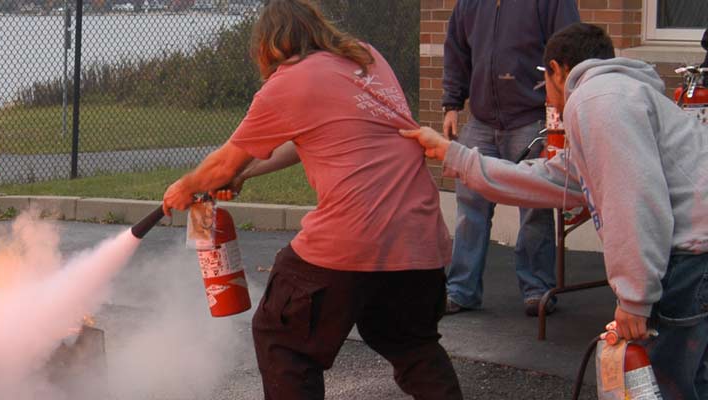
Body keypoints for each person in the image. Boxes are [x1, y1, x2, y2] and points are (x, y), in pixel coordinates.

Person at [161, 1, 462, 399]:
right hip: (419, 238)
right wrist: (244, 173)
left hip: (353, 236)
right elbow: (308, 139)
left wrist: (184, 187)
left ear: (269, 46)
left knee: (282, 338)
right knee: (410, 343)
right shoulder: (366, 57)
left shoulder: (288, 82)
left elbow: (220, 165)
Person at [401, 22, 708, 400]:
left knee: (669, 387)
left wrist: (634, 298)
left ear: (558, 70)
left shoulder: (595, 100)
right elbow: (549, 179)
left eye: (544, 85)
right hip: (695, 257)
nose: (549, 100)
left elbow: (631, 198)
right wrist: (455, 156)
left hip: (690, 263)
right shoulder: (619, 95)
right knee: (694, 382)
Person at [439, 0, 580, 315]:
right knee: (469, 207)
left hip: (532, 119)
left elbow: (571, 49)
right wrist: (451, 104)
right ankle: (461, 290)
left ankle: (537, 290)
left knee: (534, 207)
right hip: (481, 120)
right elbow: (457, 52)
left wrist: (558, 115)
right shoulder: (470, 5)